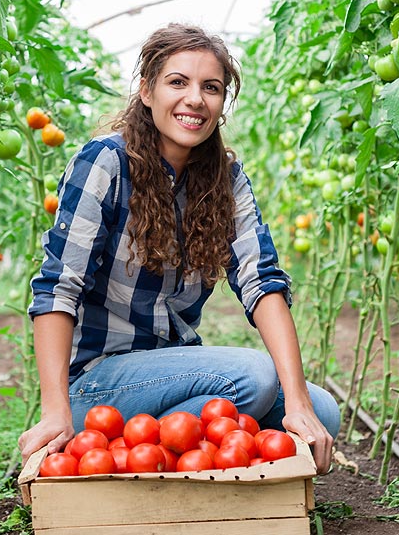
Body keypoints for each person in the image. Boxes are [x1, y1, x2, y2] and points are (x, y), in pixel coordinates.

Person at [18, 23, 340, 474]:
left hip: (168, 371)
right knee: (255, 378)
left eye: (211, 88)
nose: (196, 99)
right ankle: (113, 435)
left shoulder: (224, 179)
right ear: (147, 91)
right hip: (98, 383)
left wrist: (300, 404)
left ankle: (152, 448)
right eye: (178, 82)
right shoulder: (106, 163)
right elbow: (57, 288)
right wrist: (53, 409)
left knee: (322, 411)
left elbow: (261, 280)